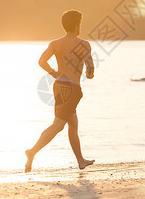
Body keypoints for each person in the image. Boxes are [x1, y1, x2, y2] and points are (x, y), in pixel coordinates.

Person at [25, 10, 95, 172]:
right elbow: (90, 69)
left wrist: (54, 73)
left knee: (73, 123)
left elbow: (42, 61)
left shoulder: (55, 43)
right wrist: (89, 73)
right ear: (77, 25)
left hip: (59, 85)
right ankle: (32, 152)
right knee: (58, 125)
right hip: (72, 89)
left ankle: (80, 160)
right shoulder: (84, 44)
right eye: (80, 24)